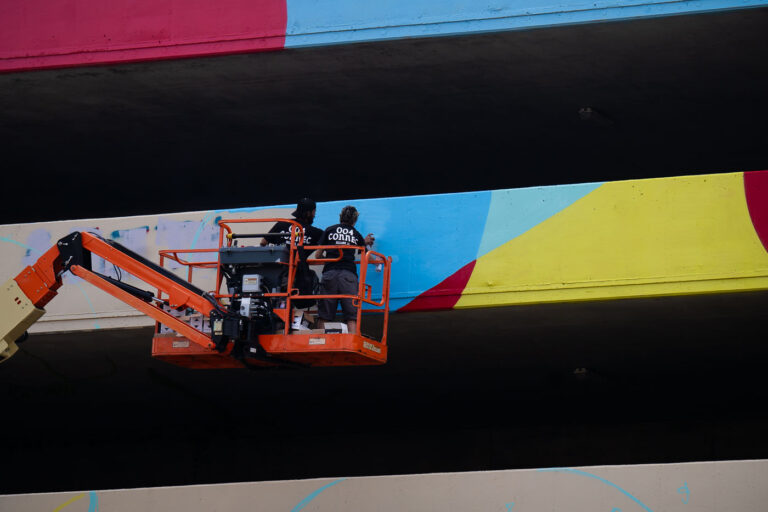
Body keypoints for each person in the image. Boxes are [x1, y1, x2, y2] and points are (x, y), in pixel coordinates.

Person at [317, 206, 374, 335]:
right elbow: (366, 255)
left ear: (340, 216)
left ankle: (319, 340)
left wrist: (328, 258)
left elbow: (317, 255)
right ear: (355, 220)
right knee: (351, 315)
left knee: (324, 314)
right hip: (348, 275)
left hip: (330, 273)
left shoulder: (329, 230)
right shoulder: (355, 233)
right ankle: (353, 341)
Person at [261, 198, 324, 307]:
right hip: (298, 277)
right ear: (308, 213)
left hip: (274, 273)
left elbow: (263, 243)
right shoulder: (315, 232)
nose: (314, 215)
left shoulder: (282, 224)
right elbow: (330, 247)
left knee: (278, 304)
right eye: (314, 212)